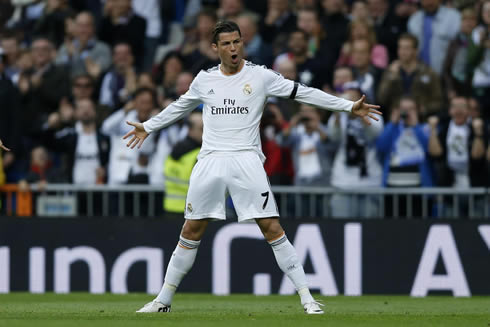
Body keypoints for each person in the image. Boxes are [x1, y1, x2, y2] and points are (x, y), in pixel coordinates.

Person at [124, 21, 380, 314]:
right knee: (191, 229)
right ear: (215, 48)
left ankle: (307, 298)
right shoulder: (204, 80)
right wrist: (148, 126)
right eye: (227, 44)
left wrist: (348, 106)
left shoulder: (260, 76)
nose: (233, 48)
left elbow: (304, 92)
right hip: (210, 160)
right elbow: (179, 107)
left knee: (271, 227)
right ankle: (163, 301)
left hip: (246, 159)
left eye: (237, 42)